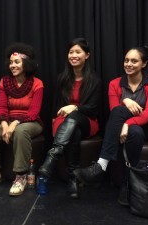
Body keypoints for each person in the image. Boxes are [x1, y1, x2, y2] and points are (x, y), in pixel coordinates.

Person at [73, 46, 148, 205]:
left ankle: (101, 166)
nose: (128, 64)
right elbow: (115, 112)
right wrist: (125, 101)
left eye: (134, 61)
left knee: (132, 125)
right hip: (128, 127)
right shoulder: (115, 84)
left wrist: (127, 123)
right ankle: (127, 184)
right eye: (126, 60)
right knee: (134, 132)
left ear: (144, 63)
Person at [38, 38, 102, 199]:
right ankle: (73, 178)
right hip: (65, 122)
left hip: (88, 121)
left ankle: (51, 158)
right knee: (74, 133)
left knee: (74, 118)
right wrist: (54, 120)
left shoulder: (95, 80)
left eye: (78, 52)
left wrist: (75, 107)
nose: (73, 55)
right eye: (71, 52)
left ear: (87, 55)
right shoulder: (62, 78)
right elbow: (55, 104)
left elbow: (93, 109)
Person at [0, 43, 44, 196]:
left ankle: (21, 176)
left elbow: (34, 112)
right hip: (7, 120)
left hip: (31, 122)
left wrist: (14, 123)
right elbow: (1, 107)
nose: (12, 65)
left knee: (21, 132)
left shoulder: (37, 83)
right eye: (11, 63)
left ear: (26, 64)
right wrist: (3, 123)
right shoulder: (4, 82)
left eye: (16, 62)